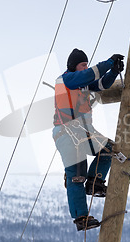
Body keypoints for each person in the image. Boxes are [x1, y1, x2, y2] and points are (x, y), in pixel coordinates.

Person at [53, 48, 124, 231]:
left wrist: (114, 71)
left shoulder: (82, 83)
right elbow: (90, 75)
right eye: (82, 65)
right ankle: (81, 217)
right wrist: (109, 62)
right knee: (77, 175)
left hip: (83, 132)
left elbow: (101, 84)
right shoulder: (67, 80)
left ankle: (94, 182)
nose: (85, 67)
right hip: (66, 133)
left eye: (86, 64)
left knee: (108, 149)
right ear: (73, 67)